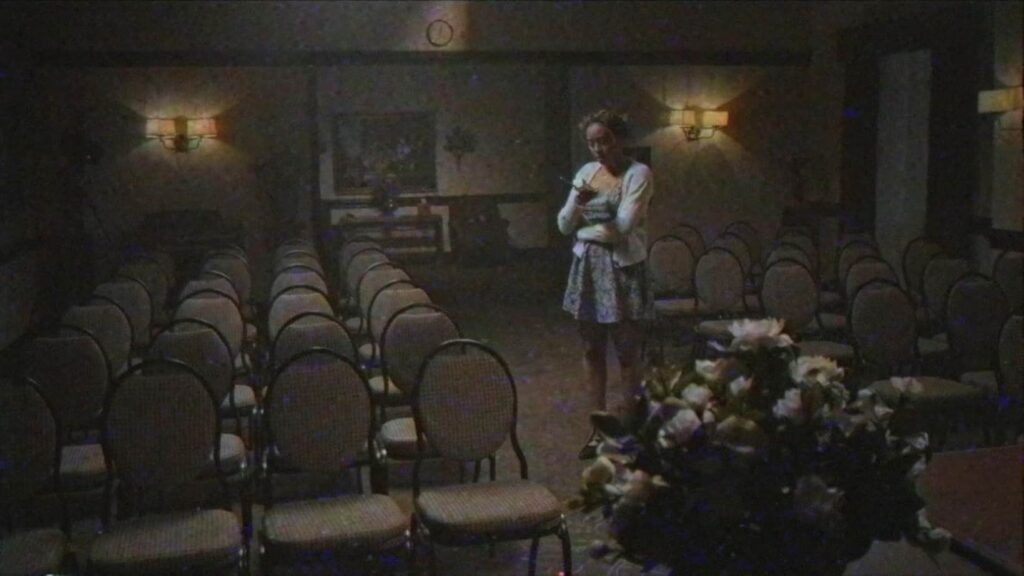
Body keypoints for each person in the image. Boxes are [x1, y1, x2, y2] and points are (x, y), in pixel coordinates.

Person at [557, 109, 654, 459]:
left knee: (627, 353)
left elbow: (624, 226)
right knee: (591, 351)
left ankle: (627, 430)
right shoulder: (586, 172)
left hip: (622, 268)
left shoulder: (638, 173)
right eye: (592, 143)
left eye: (605, 141)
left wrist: (586, 226)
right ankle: (598, 430)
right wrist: (578, 208)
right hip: (587, 268)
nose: (598, 149)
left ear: (620, 139)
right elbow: (564, 225)